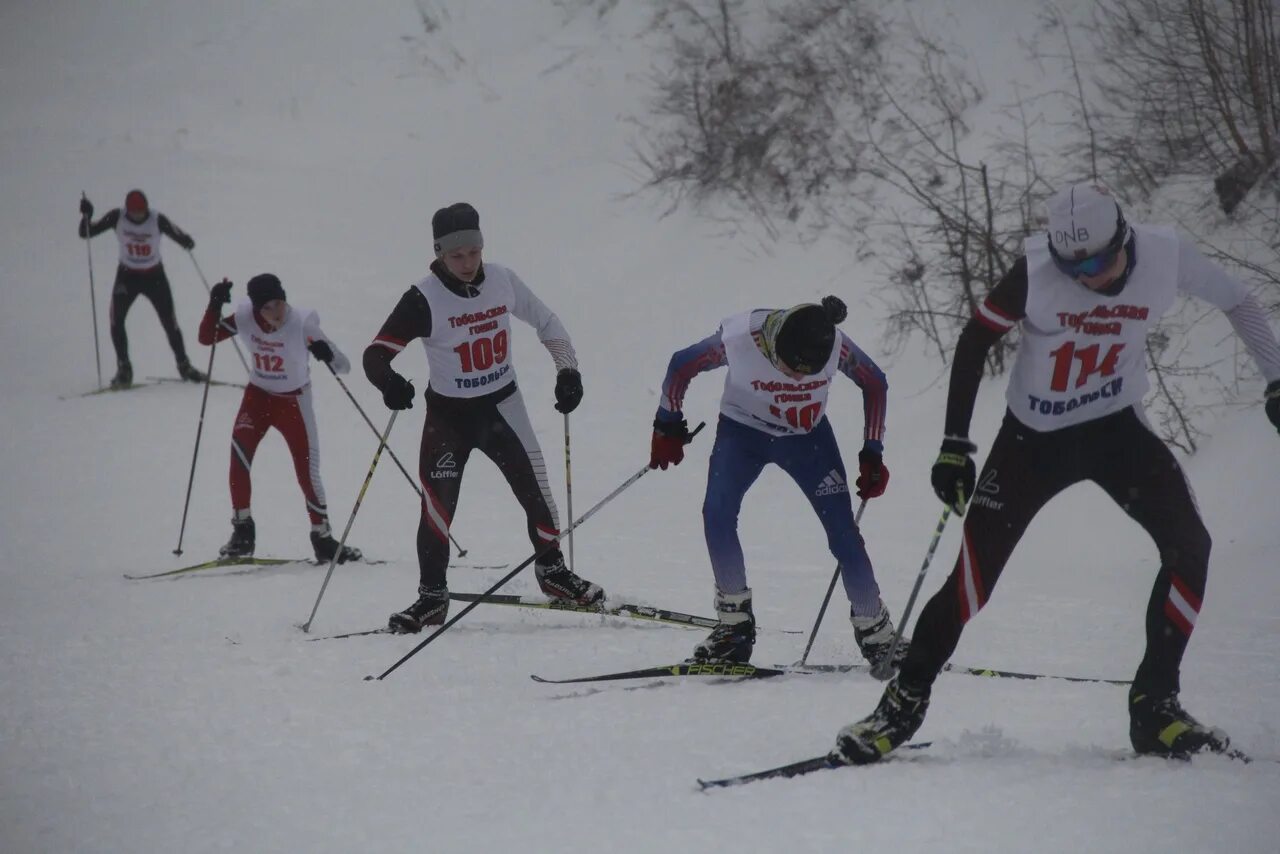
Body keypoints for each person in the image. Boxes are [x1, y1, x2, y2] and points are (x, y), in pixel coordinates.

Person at [834, 183, 1280, 764]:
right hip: (1032, 442)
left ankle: (1155, 708)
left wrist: (1276, 377)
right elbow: (975, 341)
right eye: (1075, 266)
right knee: (970, 585)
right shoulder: (1035, 272)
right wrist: (953, 445)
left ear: (1124, 237)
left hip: (1117, 431)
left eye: (1098, 261)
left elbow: (1240, 301)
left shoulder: (1165, 255)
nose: (1088, 276)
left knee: (1190, 548)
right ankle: (901, 704)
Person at [363, 202, 602, 633]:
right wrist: (390, 383)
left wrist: (568, 370)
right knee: (437, 509)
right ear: (438, 253)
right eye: (457, 256)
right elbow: (375, 355)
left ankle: (553, 573)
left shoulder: (502, 280)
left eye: (474, 252)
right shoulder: (423, 298)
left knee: (538, 493)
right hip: (449, 418)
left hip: (502, 407)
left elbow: (547, 321)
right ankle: (432, 598)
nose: (469, 263)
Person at [648, 295, 904, 670]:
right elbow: (681, 364)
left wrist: (872, 451)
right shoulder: (739, 338)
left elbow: (875, 383)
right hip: (742, 435)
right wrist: (666, 423)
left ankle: (876, 632)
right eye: (789, 369)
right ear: (772, 347)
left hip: (808, 441)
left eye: (807, 373)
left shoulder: (835, 345)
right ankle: (734, 625)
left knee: (844, 535)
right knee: (716, 515)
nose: (798, 378)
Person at [198, 273, 362, 564]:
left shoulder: (302, 323)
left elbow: (344, 365)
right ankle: (243, 532)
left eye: (279, 304)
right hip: (258, 396)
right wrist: (213, 305)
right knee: (239, 457)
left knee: (307, 470)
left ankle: (322, 537)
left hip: (294, 403)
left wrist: (325, 351)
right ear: (256, 308)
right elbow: (206, 337)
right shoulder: (245, 317)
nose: (276, 313)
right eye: (268, 307)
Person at [78, 190, 204, 388]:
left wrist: (185, 241)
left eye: (141, 212)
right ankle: (124, 368)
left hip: (154, 276)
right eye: (134, 213)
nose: (138, 216)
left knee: (169, 322)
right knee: (116, 320)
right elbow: (86, 233)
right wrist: (87, 215)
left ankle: (184, 365)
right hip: (127, 277)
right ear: (127, 210)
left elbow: (177, 233)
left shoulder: (156, 219)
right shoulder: (117, 217)